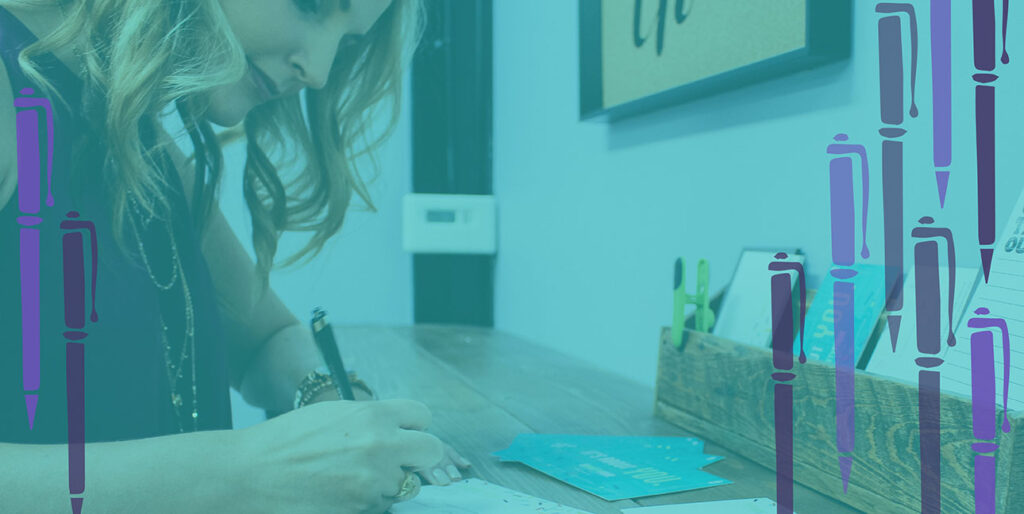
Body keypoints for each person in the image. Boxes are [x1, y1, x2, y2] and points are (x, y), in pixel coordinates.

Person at [0, 0, 469, 511]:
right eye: (311, 5)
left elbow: (265, 339)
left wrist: (331, 398)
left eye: (348, 41)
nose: (319, 71)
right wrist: (240, 470)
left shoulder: (137, 138)